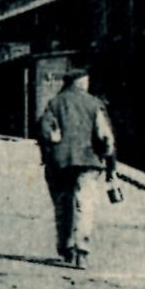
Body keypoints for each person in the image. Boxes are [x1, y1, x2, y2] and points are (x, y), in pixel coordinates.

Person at [35, 67, 118, 269]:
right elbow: (105, 137)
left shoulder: (54, 103)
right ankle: (82, 251)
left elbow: (44, 130)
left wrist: (55, 142)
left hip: (60, 163)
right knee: (84, 205)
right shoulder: (94, 104)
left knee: (63, 206)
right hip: (89, 162)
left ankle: (66, 247)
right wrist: (109, 163)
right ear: (82, 83)